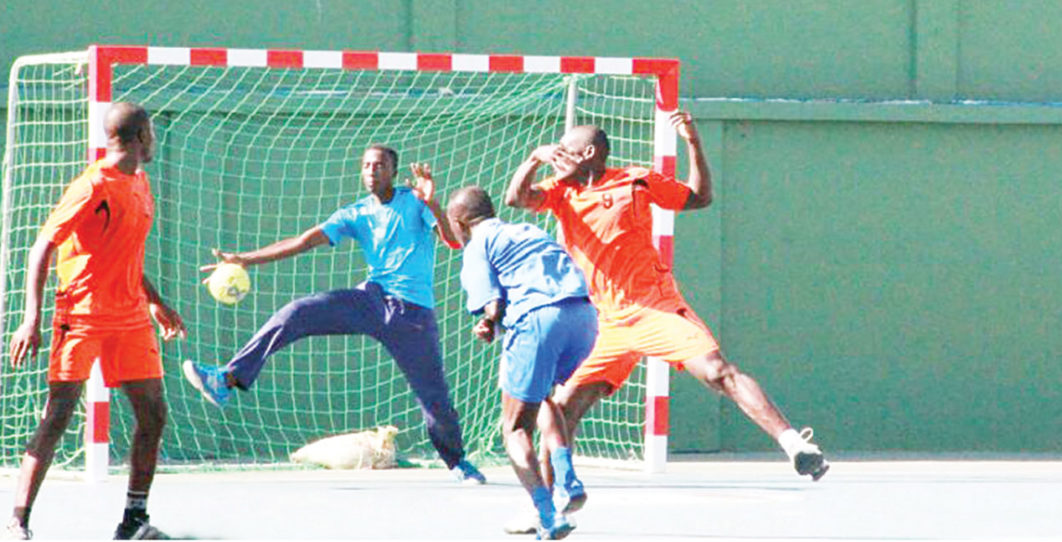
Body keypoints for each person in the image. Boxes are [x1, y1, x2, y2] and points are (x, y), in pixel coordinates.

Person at [505, 111, 828, 491]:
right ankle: (552, 504)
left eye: (564, 151)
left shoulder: (635, 180)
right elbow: (516, 198)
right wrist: (534, 158)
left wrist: (693, 142)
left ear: (589, 153)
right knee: (561, 410)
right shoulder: (561, 190)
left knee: (718, 372)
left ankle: (795, 445)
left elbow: (699, 197)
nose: (557, 156)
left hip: (653, 307)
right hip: (604, 322)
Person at [181, 146, 486, 484]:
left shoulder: (415, 201)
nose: (372, 170)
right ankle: (227, 379)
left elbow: (454, 242)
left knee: (434, 398)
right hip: (371, 300)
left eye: (380, 165)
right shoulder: (355, 213)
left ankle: (458, 462)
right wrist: (244, 259)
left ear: (393, 171)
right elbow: (304, 241)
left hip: (412, 314)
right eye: (366, 165)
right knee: (296, 312)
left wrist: (432, 203)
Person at [5, 102, 187, 540]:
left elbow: (124, 254)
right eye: (152, 133)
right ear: (141, 136)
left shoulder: (140, 183)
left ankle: (133, 521)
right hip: (82, 315)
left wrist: (156, 302)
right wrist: (31, 318)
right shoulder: (91, 187)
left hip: (130, 317)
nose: (154, 141)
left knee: (154, 413)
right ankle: (17, 521)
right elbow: (42, 248)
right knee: (58, 415)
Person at [447, 186, 596, 539]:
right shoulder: (529, 230)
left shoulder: (477, 245)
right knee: (542, 397)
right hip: (583, 318)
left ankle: (547, 514)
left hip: (537, 322)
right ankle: (567, 481)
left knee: (514, 429)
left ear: (461, 222)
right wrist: (494, 322)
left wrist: (489, 321)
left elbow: (493, 305)